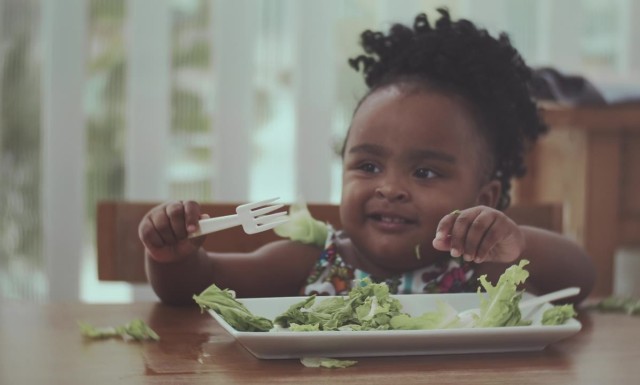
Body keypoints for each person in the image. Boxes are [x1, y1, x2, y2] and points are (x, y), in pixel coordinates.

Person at [139, 8, 595, 306]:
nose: (390, 188)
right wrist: (175, 259)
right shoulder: (312, 261)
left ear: (485, 197)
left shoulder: (484, 271)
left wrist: (517, 246)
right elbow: (201, 287)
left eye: (424, 171)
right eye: (368, 166)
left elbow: (581, 280)